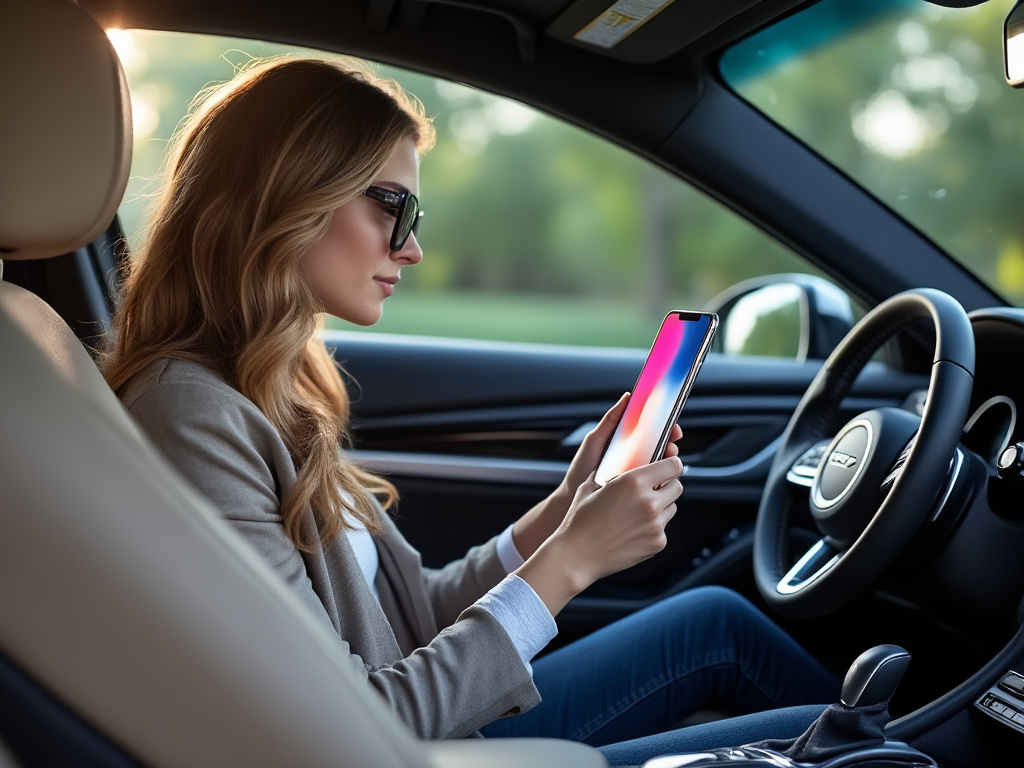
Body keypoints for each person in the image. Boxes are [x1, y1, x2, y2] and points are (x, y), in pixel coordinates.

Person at [102, 56, 837, 765]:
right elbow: (343, 726)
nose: (413, 247)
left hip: (438, 732)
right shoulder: (193, 415)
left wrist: (563, 510)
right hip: (407, 748)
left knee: (719, 625)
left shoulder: (273, 384)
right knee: (840, 741)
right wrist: (573, 559)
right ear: (287, 194)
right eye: (393, 206)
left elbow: (413, 613)